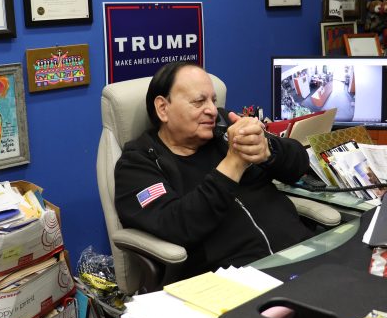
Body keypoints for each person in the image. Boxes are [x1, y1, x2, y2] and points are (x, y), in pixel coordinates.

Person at [114, 62, 314, 279]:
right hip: (236, 280)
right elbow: (178, 227)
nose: (211, 110)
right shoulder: (138, 163)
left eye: (213, 100)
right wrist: (233, 165)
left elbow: (300, 165)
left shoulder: (222, 128)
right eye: (199, 101)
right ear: (163, 108)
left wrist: (268, 150)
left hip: (302, 255)